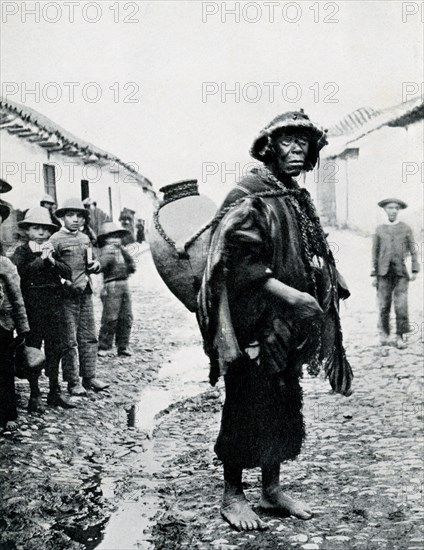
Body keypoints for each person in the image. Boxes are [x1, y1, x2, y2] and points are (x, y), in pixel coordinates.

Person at [197, 110, 353, 531]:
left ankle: (270, 489)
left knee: (283, 398)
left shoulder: (292, 194)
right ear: (269, 148)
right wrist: (291, 294)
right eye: (288, 142)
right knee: (245, 401)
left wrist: (327, 274)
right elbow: (238, 263)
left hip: (287, 326)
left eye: (305, 143)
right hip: (252, 322)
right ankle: (233, 495)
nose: (298, 150)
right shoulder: (248, 194)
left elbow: (305, 245)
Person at [12, 207, 76, 410]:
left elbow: (68, 271)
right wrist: (41, 260)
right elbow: (21, 273)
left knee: (55, 349)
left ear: (50, 232)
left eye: (45, 229)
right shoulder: (22, 252)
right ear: (27, 231)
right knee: (32, 350)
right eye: (35, 228)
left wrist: (52, 261)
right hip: (32, 309)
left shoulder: (52, 250)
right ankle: (34, 394)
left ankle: (54, 391)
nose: (41, 233)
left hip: (54, 307)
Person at [48, 198, 109, 395]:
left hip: (85, 293)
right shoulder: (55, 240)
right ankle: (73, 382)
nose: (75, 219)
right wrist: (63, 282)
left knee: (89, 336)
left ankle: (89, 377)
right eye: (70, 215)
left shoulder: (85, 238)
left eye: (79, 216)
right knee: (69, 340)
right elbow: (49, 268)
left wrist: (96, 266)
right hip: (66, 297)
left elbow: (92, 261)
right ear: (62, 217)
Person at [371, 198, 419, 350]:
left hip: (400, 274)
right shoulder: (379, 229)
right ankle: (384, 334)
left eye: (396, 208)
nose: (393, 210)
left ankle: (400, 336)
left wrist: (414, 269)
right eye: (390, 208)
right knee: (384, 305)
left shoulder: (405, 228)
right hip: (383, 273)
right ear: (385, 210)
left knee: (401, 306)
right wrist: (374, 273)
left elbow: (413, 250)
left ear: (399, 210)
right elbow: (375, 252)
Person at [0, 199, 30, 431]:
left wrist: (22, 328)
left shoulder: (4, 264)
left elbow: (17, 298)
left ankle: (8, 413)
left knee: (4, 369)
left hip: (2, 324)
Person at [97, 222, 136, 357]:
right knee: (110, 317)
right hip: (112, 285)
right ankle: (104, 346)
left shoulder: (122, 251)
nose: (116, 240)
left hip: (124, 284)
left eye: (118, 237)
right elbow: (101, 265)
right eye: (112, 237)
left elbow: (132, 267)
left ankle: (123, 345)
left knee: (126, 317)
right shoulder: (107, 251)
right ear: (105, 239)